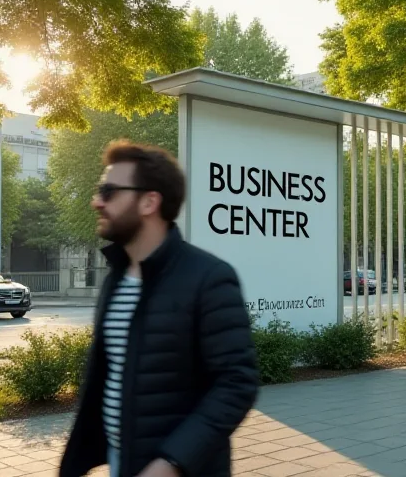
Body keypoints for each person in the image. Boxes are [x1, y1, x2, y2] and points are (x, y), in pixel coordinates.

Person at [60, 140, 259, 477]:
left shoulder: (209, 278)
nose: (96, 202)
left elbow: (237, 383)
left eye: (108, 191)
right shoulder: (116, 279)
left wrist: (171, 463)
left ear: (149, 201)